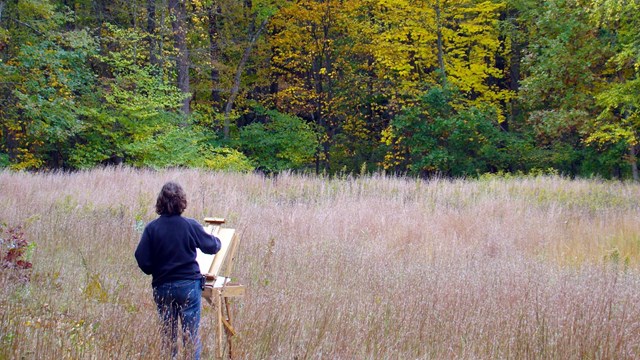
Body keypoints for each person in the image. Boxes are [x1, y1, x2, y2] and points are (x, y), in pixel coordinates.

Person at [135, 181, 221, 360]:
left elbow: (142, 258)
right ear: (181, 201)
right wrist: (218, 241)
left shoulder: (152, 228)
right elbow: (211, 246)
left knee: (169, 338)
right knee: (191, 337)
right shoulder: (189, 225)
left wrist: (154, 270)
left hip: (163, 287)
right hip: (188, 287)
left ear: (160, 202)